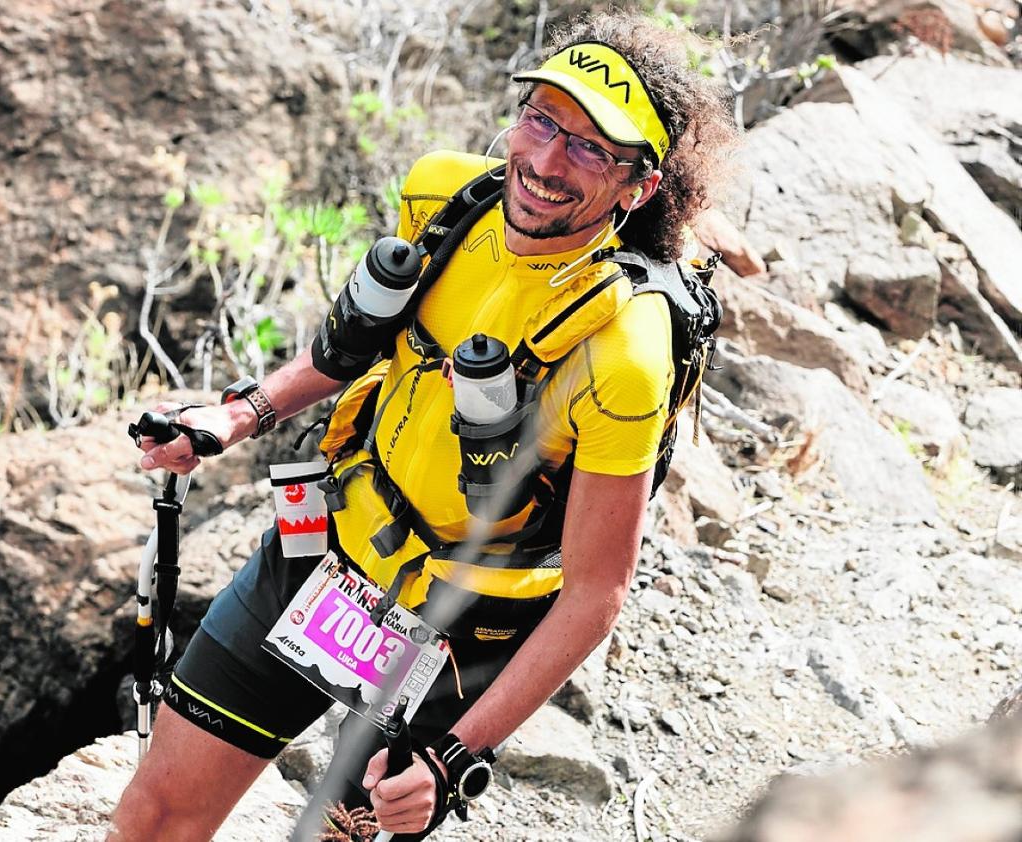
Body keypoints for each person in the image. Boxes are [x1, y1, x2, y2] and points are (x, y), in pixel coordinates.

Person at [110, 10, 736, 841]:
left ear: (639, 186)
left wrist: (456, 756)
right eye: (542, 120)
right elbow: (354, 347)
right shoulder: (445, 196)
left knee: (337, 834)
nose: (547, 162)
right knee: (152, 818)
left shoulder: (624, 349)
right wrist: (237, 414)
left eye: (591, 148)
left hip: (459, 630)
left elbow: (595, 592)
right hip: (330, 555)